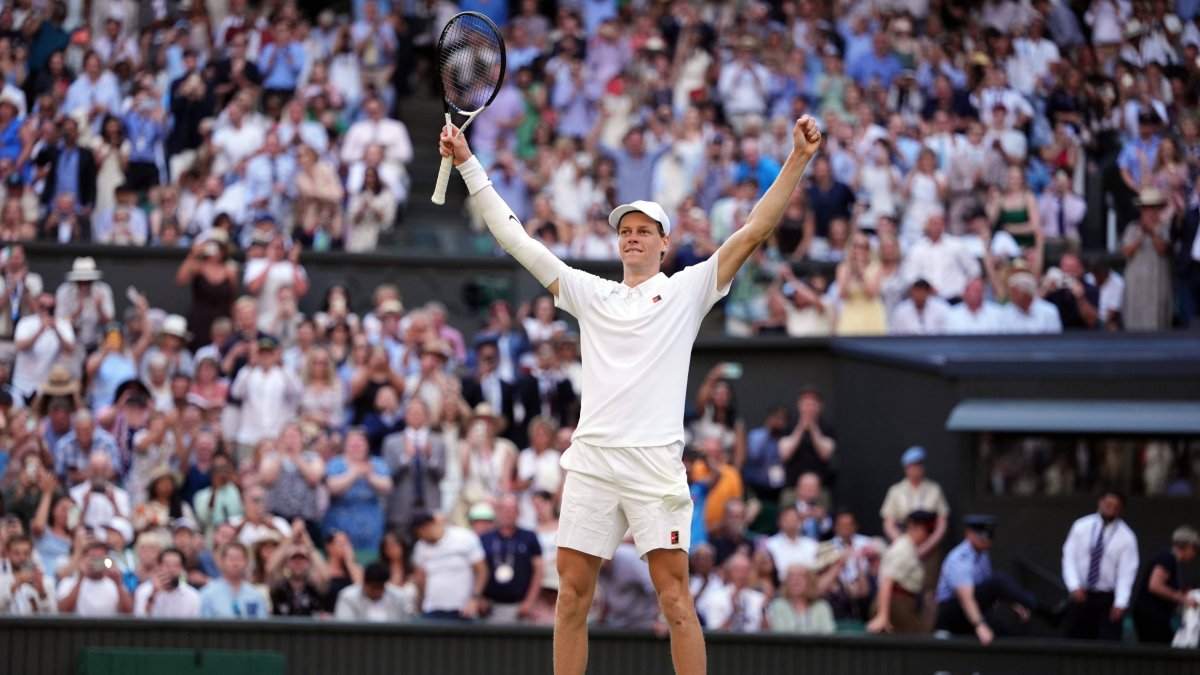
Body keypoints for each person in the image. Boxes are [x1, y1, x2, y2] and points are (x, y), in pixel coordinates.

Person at [443, 112, 822, 673]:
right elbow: (515, 238)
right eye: (625, 230)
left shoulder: (689, 290)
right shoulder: (589, 293)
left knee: (675, 600)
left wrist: (797, 159)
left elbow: (754, 231)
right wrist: (469, 164)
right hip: (594, 460)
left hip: (654, 464)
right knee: (571, 596)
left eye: (644, 230)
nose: (632, 237)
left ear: (665, 244)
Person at [934, 515, 1042, 645]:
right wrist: (979, 624)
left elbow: (987, 589)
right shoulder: (959, 558)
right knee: (998, 580)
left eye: (990, 535)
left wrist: (1015, 603)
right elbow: (966, 597)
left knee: (1005, 636)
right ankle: (1042, 608)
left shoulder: (982, 555)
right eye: (983, 535)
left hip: (973, 611)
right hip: (952, 613)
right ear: (969, 534)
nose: (987, 540)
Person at [1061, 489, 1139, 641]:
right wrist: (1074, 586)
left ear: (1121, 509)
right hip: (1081, 594)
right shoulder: (1081, 526)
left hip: (1107, 597)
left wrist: (1120, 602)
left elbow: (1127, 572)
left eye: (1116, 506)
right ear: (1100, 502)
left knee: (1107, 640)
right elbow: (1069, 557)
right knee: (1076, 638)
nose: (1111, 508)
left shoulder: (1127, 537)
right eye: (1108, 504)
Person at [867, 510, 936, 635]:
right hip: (895, 604)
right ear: (919, 528)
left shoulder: (909, 547)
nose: (929, 536)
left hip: (901, 603)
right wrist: (883, 615)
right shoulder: (903, 549)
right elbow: (887, 580)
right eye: (928, 531)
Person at [410, 510, 488, 621]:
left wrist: (475, 598)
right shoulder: (420, 547)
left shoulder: (464, 537)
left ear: (426, 527)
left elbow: (482, 571)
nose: (420, 538)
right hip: (432, 609)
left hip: (462, 609)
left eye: (419, 533)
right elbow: (421, 578)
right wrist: (419, 603)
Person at [480, 493, 543, 624]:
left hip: (520, 606)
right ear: (497, 511)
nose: (508, 513)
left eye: (513, 509)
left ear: (518, 512)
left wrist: (530, 601)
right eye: (504, 509)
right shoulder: (485, 538)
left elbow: (538, 570)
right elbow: (477, 570)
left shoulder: (529, 537)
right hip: (490, 607)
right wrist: (479, 598)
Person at [1132, 525, 1199, 644]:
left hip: (1158, 617)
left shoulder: (1172, 562)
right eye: (1194, 550)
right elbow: (1155, 585)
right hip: (1151, 617)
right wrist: (1182, 598)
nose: (1194, 555)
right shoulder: (1167, 558)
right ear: (1188, 547)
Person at [57, 540, 132, 616]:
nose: (96, 562)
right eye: (92, 558)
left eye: (100, 559)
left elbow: (128, 613)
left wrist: (118, 583)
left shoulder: (115, 585)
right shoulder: (68, 583)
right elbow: (64, 610)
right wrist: (80, 578)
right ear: (82, 559)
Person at [199, 541, 268, 618]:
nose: (235, 563)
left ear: (247, 562)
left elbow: (262, 626)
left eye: (239, 558)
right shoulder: (207, 594)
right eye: (231, 558)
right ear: (221, 561)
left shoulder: (256, 596)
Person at [765, 564, 835, 634]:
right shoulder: (778, 605)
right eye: (791, 577)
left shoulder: (821, 606)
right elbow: (780, 633)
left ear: (810, 582)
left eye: (801, 577)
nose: (796, 580)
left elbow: (828, 634)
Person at [334, 561, 414, 622]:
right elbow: (345, 627)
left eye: (380, 587)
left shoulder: (398, 597)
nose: (377, 592)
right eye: (374, 587)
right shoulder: (347, 597)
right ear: (365, 584)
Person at [133, 546, 201, 618]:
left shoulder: (193, 596)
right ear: (158, 566)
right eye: (167, 565)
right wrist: (153, 593)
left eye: (176, 565)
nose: (171, 569)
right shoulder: (143, 591)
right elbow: (140, 621)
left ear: (182, 568)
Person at [0, 534, 58, 614]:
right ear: (8, 553)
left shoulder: (46, 582)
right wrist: (15, 586)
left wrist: (41, 592)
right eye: (16, 553)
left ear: (31, 553)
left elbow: (53, 614)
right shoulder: (2, 580)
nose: (22, 558)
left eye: (26, 553)